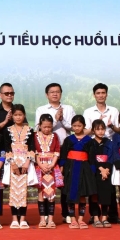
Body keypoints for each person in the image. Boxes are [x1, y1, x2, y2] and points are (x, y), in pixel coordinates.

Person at [35, 83, 75, 224]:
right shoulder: (41, 109)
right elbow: (37, 128)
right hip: (45, 151)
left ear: (61, 93)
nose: (55, 94)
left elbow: (73, 127)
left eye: (57, 91)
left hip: (65, 148)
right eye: (52, 92)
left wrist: (61, 119)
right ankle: (45, 214)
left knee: (65, 181)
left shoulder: (68, 109)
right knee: (44, 184)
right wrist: (54, 118)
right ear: (47, 94)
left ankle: (67, 213)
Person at [82, 83, 120, 225]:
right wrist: (95, 127)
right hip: (93, 149)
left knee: (109, 187)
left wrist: (110, 125)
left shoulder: (114, 111)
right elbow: (84, 131)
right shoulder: (88, 112)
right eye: (98, 93)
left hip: (109, 148)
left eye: (103, 92)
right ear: (94, 95)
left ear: (107, 94)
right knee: (94, 188)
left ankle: (111, 215)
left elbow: (119, 130)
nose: (101, 95)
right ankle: (95, 215)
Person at [59, 115, 95, 229]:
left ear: (84, 126)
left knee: (82, 195)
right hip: (70, 168)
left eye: (79, 125)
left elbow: (92, 157)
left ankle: (80, 219)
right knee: (70, 194)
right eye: (74, 126)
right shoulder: (68, 140)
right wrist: (62, 168)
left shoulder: (89, 141)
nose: (77, 128)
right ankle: (73, 219)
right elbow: (63, 155)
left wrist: (92, 171)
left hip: (84, 168)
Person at [4, 105, 35, 229]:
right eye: (16, 115)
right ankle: (14, 219)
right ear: (12, 116)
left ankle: (22, 219)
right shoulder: (8, 130)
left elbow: (32, 147)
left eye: (20, 115)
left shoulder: (30, 130)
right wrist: (12, 163)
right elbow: (7, 147)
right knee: (13, 191)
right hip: (13, 163)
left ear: (24, 115)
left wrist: (27, 162)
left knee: (23, 191)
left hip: (25, 162)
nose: (18, 117)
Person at [33, 114, 62, 229]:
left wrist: (52, 164)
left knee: (51, 193)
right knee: (40, 193)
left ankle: (50, 219)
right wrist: (41, 165)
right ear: (39, 125)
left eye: (49, 127)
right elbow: (34, 152)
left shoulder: (55, 136)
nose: (47, 129)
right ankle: (42, 219)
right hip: (39, 166)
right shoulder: (35, 136)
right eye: (44, 127)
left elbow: (57, 152)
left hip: (52, 167)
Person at [85, 120, 114, 228]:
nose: (101, 131)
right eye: (98, 129)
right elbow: (91, 158)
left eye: (102, 129)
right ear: (93, 130)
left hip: (107, 171)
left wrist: (106, 169)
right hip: (95, 171)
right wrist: (101, 169)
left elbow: (111, 157)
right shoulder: (90, 143)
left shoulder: (109, 142)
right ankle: (96, 217)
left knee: (106, 194)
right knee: (94, 194)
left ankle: (105, 217)